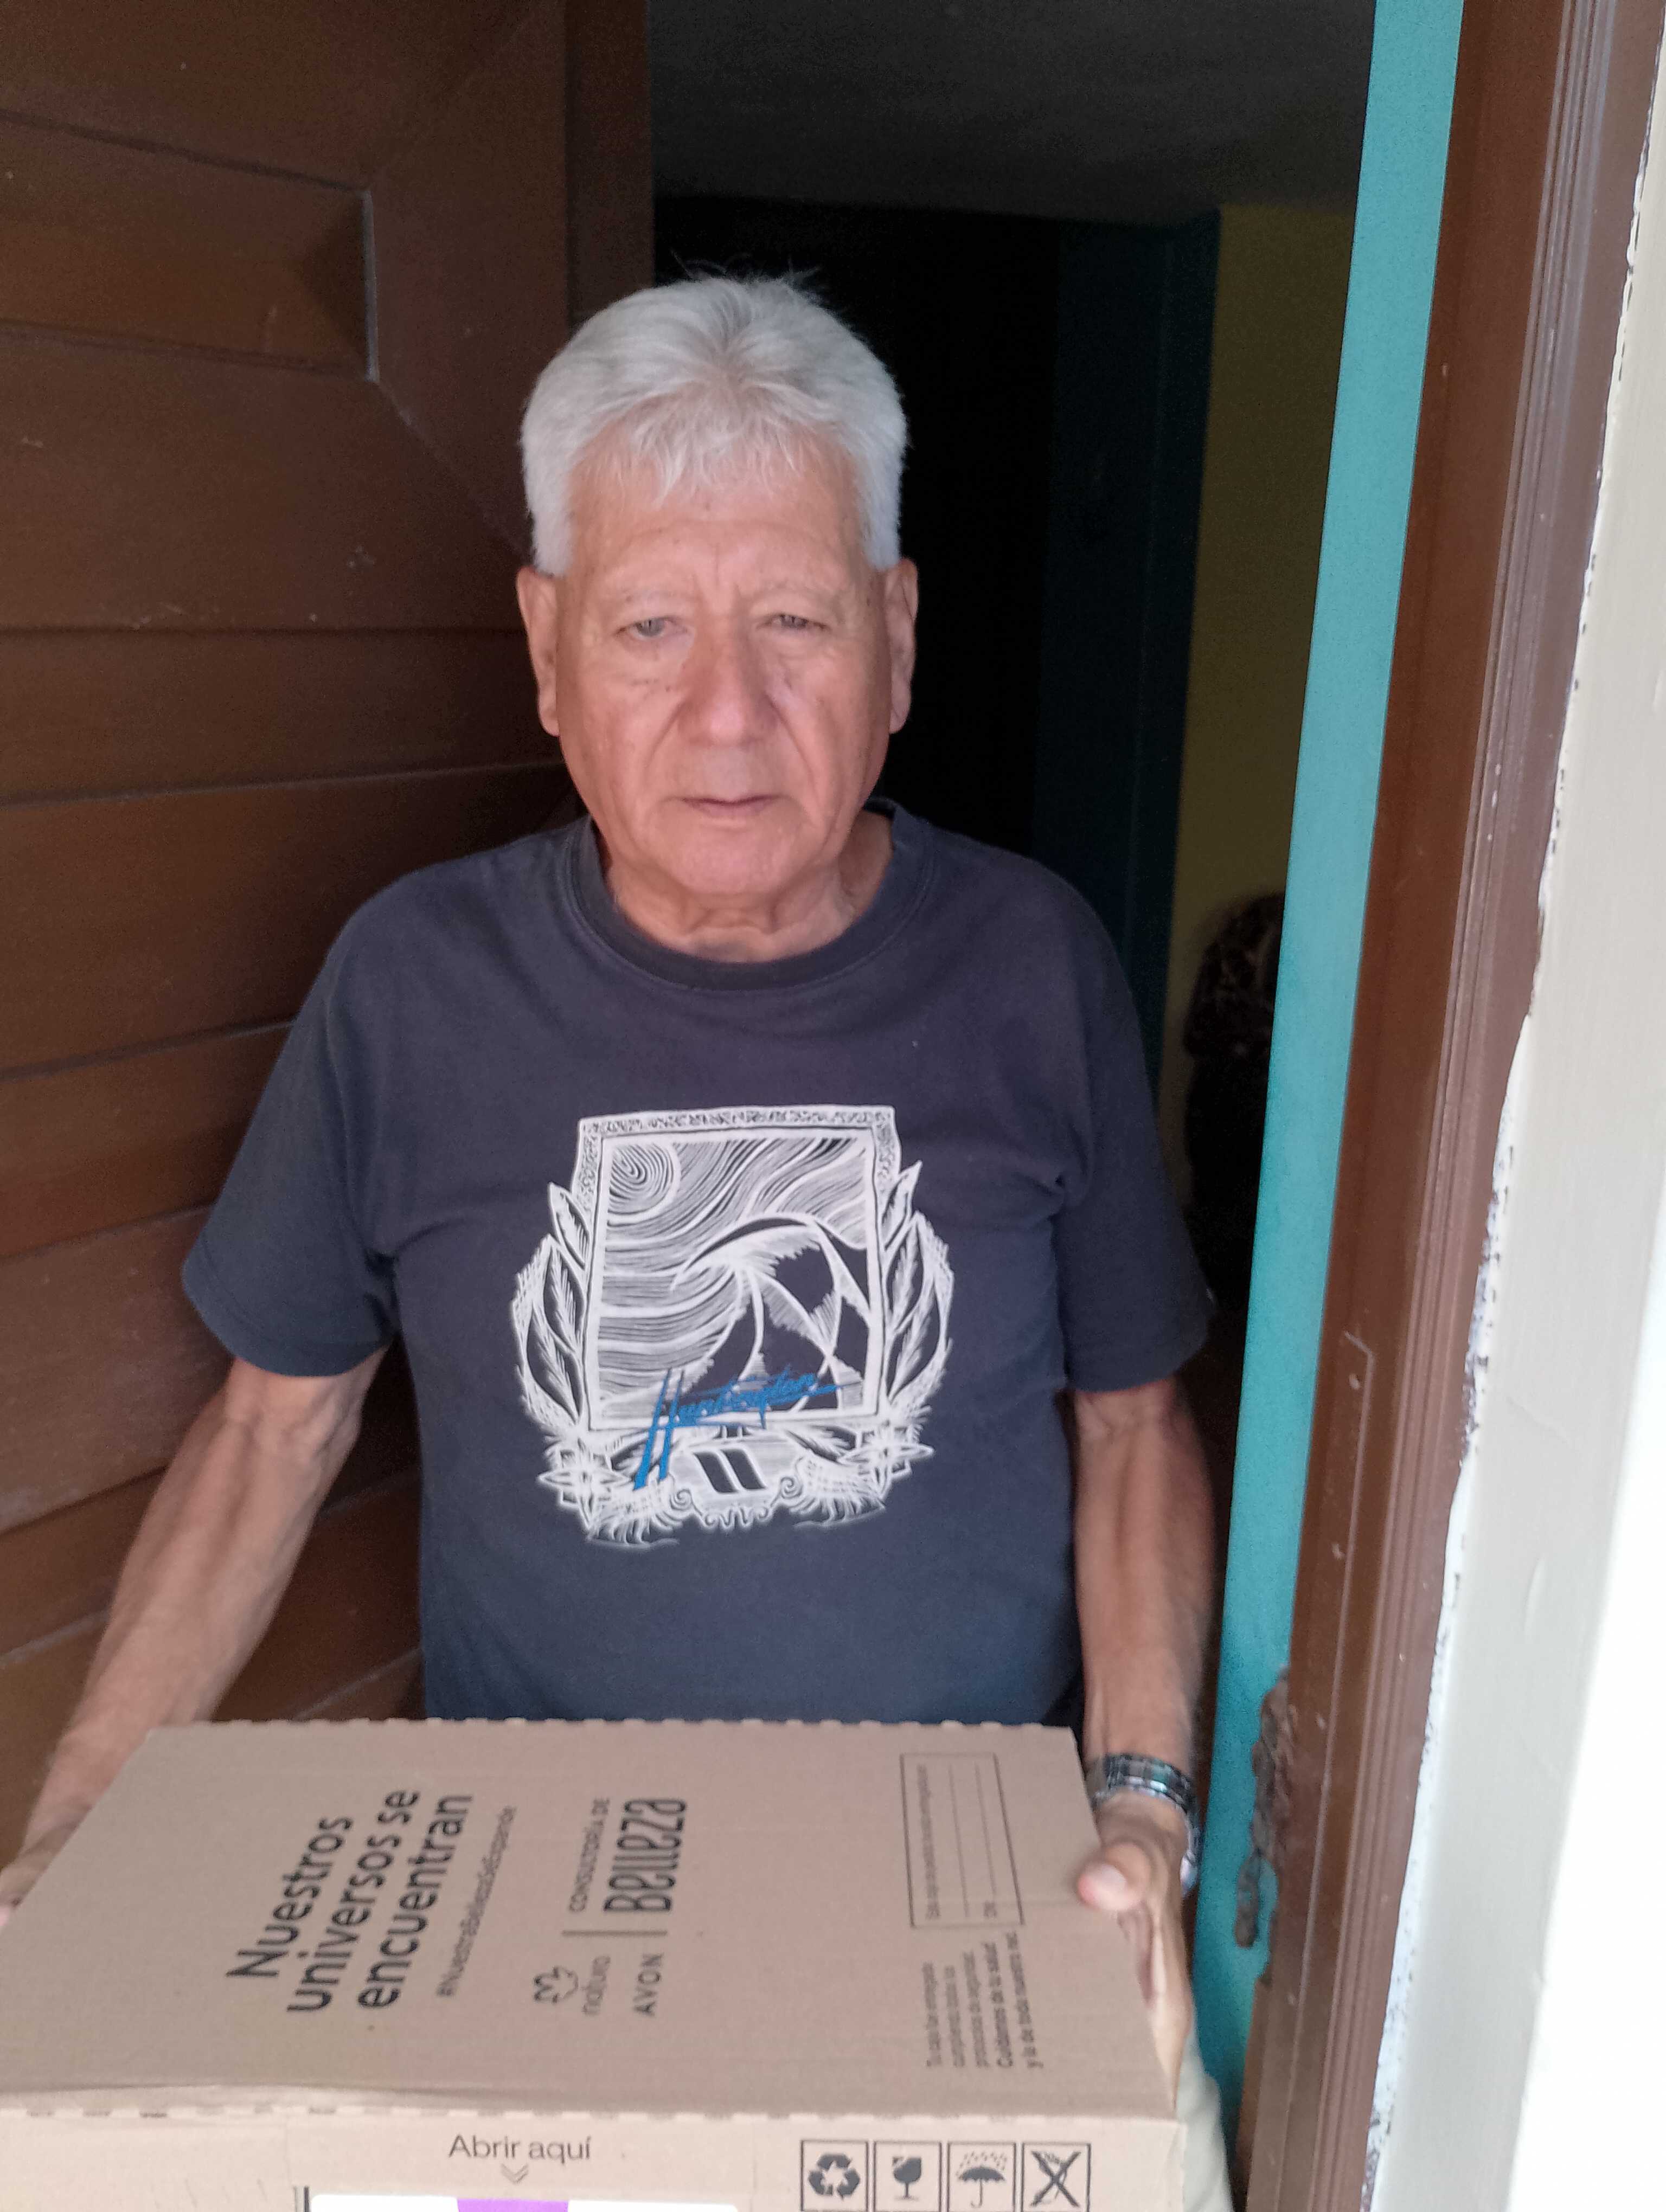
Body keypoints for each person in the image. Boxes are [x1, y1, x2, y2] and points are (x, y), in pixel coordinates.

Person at [0, 278, 1230, 2209]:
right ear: (548, 650)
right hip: (544, 1923)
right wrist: (76, 1829)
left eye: (795, 622)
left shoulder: (1031, 964)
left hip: (967, 1906)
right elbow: (271, 1431)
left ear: (898, 639)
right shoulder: (414, 986)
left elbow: (1133, 1425)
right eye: (651, 626)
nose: (727, 712)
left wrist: (1144, 1812)